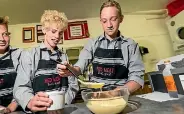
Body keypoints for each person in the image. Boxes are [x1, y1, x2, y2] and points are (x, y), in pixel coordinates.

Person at [57, 0, 145, 93]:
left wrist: (116, 92)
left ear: (121, 19)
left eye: (113, 19)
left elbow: (137, 78)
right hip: (97, 97)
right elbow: (79, 67)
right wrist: (71, 70)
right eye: (104, 21)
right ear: (100, 21)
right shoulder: (92, 43)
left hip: (120, 98)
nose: (109, 25)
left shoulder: (130, 46)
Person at [13, 10, 79, 113]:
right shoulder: (30, 55)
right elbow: (20, 87)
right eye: (53, 31)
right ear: (44, 30)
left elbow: (73, 85)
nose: (57, 36)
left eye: (60, 33)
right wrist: (30, 101)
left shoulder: (63, 56)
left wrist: (64, 102)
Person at [0, 16, 22, 113]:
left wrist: (14, 103)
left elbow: (27, 83)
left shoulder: (19, 54)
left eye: (5, 34)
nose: (2, 39)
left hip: (19, 109)